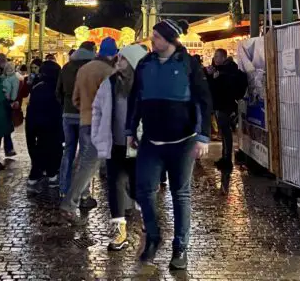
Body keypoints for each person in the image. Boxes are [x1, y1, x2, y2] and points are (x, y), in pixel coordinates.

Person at [127, 19, 212, 271]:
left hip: (183, 141)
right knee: (144, 191)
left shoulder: (188, 64)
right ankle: (153, 238)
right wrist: (130, 128)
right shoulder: (145, 63)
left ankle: (180, 247)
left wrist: (203, 135)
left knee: (180, 194)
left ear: (169, 40)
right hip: (150, 140)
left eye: (156, 37)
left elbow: (203, 100)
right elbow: (136, 98)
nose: (152, 41)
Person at [92, 44, 148, 251]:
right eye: (117, 58)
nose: (118, 62)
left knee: (137, 188)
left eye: (122, 59)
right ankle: (119, 231)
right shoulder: (110, 83)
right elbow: (97, 109)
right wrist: (98, 135)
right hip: (114, 144)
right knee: (114, 186)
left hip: (139, 147)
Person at [59, 38, 118, 221]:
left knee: (84, 159)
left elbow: (75, 98)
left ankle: (80, 197)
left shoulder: (84, 69)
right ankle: (70, 203)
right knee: (90, 164)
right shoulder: (110, 72)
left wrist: (85, 109)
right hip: (101, 124)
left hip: (85, 119)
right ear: (112, 54)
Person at [57, 41, 97, 200]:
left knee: (68, 151)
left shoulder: (66, 67)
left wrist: (66, 106)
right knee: (86, 154)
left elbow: (58, 91)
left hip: (68, 114)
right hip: (86, 115)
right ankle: (83, 192)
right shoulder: (93, 68)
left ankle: (64, 187)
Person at [207, 48, 247, 188]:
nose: (215, 58)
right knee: (223, 132)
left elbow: (225, 88)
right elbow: (213, 88)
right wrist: (211, 76)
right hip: (219, 104)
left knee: (225, 131)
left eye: (217, 56)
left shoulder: (229, 70)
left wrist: (217, 77)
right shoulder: (218, 69)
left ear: (224, 57)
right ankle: (225, 157)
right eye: (214, 56)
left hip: (226, 105)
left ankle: (227, 158)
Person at [25, 60, 64, 192]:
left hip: (38, 124)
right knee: (53, 150)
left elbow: (32, 108)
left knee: (42, 149)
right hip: (53, 125)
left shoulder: (38, 87)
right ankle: (41, 177)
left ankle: (43, 176)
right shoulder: (58, 88)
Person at [0, 62, 20, 157]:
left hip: (4, 104)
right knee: (6, 127)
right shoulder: (11, 79)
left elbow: (14, 94)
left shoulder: (5, 78)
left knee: (3, 126)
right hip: (5, 104)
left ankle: (8, 148)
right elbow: (14, 94)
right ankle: (8, 148)